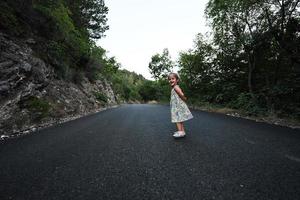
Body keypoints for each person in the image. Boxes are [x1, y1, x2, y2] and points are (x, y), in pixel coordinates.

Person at [168, 72, 193, 138]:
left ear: (177, 80)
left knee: (177, 119)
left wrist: (184, 98)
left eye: (173, 79)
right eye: (169, 79)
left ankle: (180, 132)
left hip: (177, 106)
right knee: (180, 119)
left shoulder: (176, 87)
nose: (171, 80)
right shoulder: (174, 87)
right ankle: (182, 131)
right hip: (177, 105)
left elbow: (181, 94)